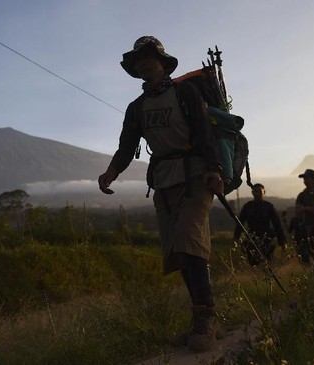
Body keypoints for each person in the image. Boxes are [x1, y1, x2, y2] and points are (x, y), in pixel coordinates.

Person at [97, 36, 224, 352]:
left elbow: (203, 130)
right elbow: (127, 146)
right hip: (164, 179)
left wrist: (213, 168)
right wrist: (111, 173)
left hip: (195, 172)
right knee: (179, 252)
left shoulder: (185, 92)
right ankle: (204, 315)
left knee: (189, 240)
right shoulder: (137, 107)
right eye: (137, 60)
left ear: (163, 62)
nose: (143, 63)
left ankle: (206, 317)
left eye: (148, 56)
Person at [233, 183, 286, 265]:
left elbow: (277, 225)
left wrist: (282, 242)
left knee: (267, 263)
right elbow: (240, 223)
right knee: (253, 263)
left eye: (259, 191)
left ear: (264, 192)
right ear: (252, 193)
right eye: (255, 191)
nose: (257, 193)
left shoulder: (269, 207)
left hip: (266, 239)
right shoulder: (248, 206)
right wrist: (236, 237)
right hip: (252, 238)